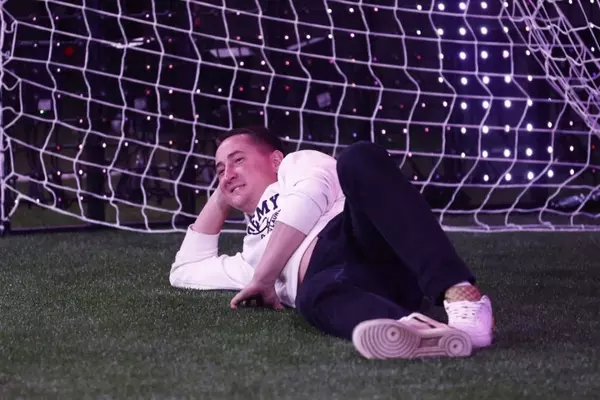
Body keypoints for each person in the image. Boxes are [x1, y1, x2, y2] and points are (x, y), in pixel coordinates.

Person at [170, 126, 494, 359]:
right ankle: (415, 333)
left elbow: (309, 197)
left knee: (358, 157)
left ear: (276, 159)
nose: (226, 174)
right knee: (311, 295)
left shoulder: (297, 166)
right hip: (339, 287)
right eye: (219, 169)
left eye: (237, 160)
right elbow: (185, 270)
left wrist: (265, 277)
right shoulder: (249, 256)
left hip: (361, 240)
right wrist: (223, 193)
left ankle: (463, 297)